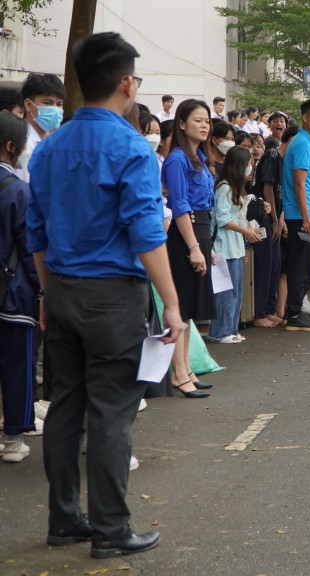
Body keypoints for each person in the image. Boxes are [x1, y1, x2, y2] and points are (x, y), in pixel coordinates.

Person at [28, 31, 184, 557]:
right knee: (112, 412)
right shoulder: (131, 148)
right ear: (126, 83)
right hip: (113, 295)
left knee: (66, 404)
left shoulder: (48, 148)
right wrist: (173, 303)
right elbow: (146, 232)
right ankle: (112, 531)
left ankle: (65, 519)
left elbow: (37, 232)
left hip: (63, 289)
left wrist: (49, 294)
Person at [161, 99, 216, 398]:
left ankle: (186, 370)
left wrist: (207, 245)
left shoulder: (199, 158)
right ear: (181, 123)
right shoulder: (177, 159)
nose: (205, 124)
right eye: (198, 119)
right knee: (180, 309)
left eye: (207, 119)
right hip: (187, 232)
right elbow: (180, 206)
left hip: (201, 230)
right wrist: (194, 247)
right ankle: (179, 374)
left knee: (189, 309)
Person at [0, 112, 38, 463]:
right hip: (12, 294)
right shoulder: (18, 191)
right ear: (12, 147)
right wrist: (42, 290)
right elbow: (29, 247)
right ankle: (13, 439)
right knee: (16, 366)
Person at [281, 99, 310, 331]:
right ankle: (294, 314)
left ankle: (295, 312)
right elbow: (299, 185)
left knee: (308, 264)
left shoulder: (306, 143)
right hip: (302, 215)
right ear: (306, 117)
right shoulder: (301, 143)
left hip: (308, 212)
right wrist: (307, 219)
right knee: (301, 265)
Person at [209, 146, 262, 343]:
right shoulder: (224, 187)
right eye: (248, 163)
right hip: (224, 245)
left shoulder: (234, 187)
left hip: (235, 245)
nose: (250, 166)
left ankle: (230, 329)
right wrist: (246, 231)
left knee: (236, 290)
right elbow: (222, 219)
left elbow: (236, 216)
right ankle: (220, 331)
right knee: (225, 291)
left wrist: (249, 229)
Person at [15, 73, 65, 183]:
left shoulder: (48, 142)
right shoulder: (22, 143)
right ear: (28, 105)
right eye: (47, 103)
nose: (55, 109)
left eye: (59, 104)